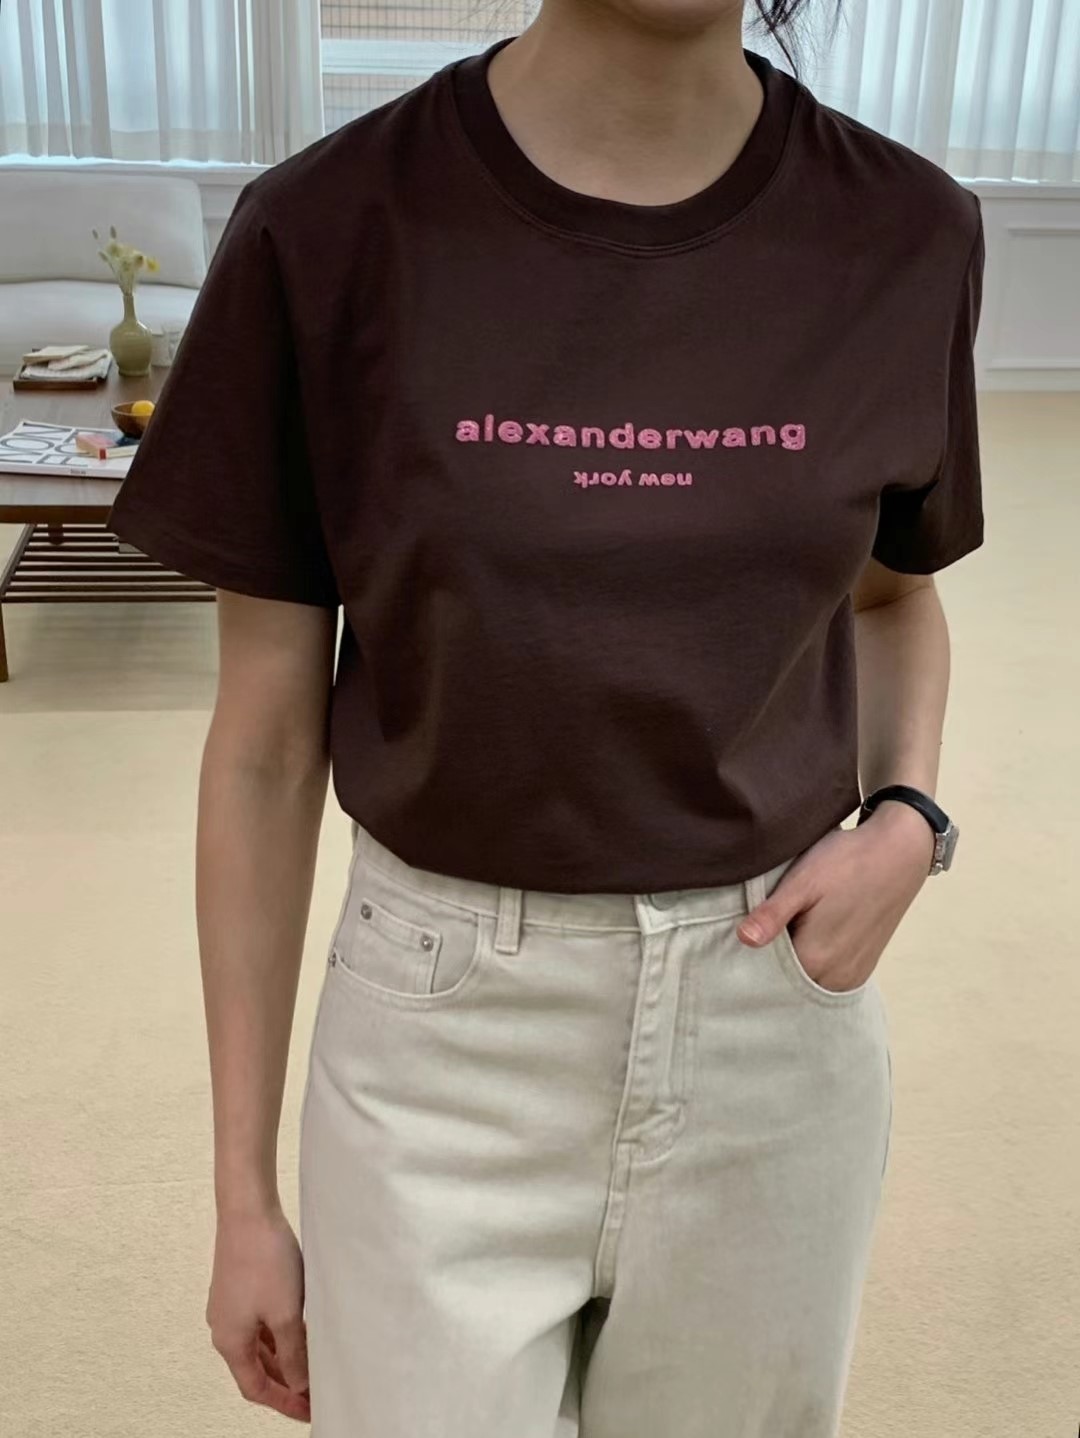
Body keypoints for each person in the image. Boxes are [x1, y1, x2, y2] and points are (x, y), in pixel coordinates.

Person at [105, 0, 985, 1432]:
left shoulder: (907, 232)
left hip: (773, 1023)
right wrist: (243, 1195)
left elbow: (893, 599)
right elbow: (262, 744)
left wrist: (909, 814)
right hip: (439, 1041)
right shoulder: (324, 228)